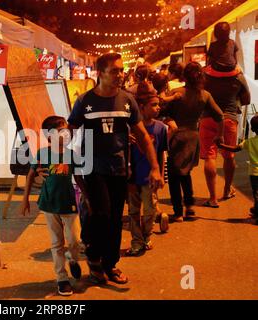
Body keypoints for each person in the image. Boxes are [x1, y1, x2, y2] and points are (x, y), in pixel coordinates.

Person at [67, 53, 163, 284]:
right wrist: (68, 159)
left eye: (121, 70)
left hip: (119, 168)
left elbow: (142, 135)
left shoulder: (127, 100)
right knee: (100, 214)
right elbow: (69, 129)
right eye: (114, 71)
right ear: (100, 73)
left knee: (114, 219)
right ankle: (93, 255)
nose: (120, 75)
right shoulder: (85, 101)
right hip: (93, 168)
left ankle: (110, 264)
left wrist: (155, 168)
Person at [19, 116, 88, 296]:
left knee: (74, 241)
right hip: (49, 204)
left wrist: (87, 197)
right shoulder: (42, 154)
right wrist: (25, 199)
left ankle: (72, 260)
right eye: (60, 131)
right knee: (56, 243)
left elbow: (79, 177)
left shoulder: (72, 155)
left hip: (69, 204)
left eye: (66, 130)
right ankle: (62, 279)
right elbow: (31, 175)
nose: (65, 134)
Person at [164, 62, 224, 221]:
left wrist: (169, 119)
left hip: (177, 136)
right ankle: (189, 207)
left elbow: (161, 110)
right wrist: (220, 134)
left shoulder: (177, 93)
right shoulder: (205, 95)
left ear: (184, 76)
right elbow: (219, 115)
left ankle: (178, 212)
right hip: (193, 136)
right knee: (185, 172)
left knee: (174, 175)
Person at [126, 82, 169, 256]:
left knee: (150, 210)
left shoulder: (160, 128)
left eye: (159, 104)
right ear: (141, 107)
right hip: (131, 176)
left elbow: (161, 154)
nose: (158, 108)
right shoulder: (129, 128)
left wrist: (161, 175)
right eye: (154, 105)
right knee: (133, 211)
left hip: (149, 177)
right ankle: (136, 241)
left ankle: (146, 236)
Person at [203, 58, 251, 207]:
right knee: (228, 156)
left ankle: (212, 198)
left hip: (208, 118)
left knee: (209, 157)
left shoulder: (205, 75)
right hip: (229, 118)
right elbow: (247, 99)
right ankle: (226, 190)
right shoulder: (238, 76)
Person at [216, 115, 258, 223]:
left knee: (256, 193)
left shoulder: (249, 142)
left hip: (254, 173)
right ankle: (256, 210)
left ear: (252, 129)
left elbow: (235, 149)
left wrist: (221, 145)